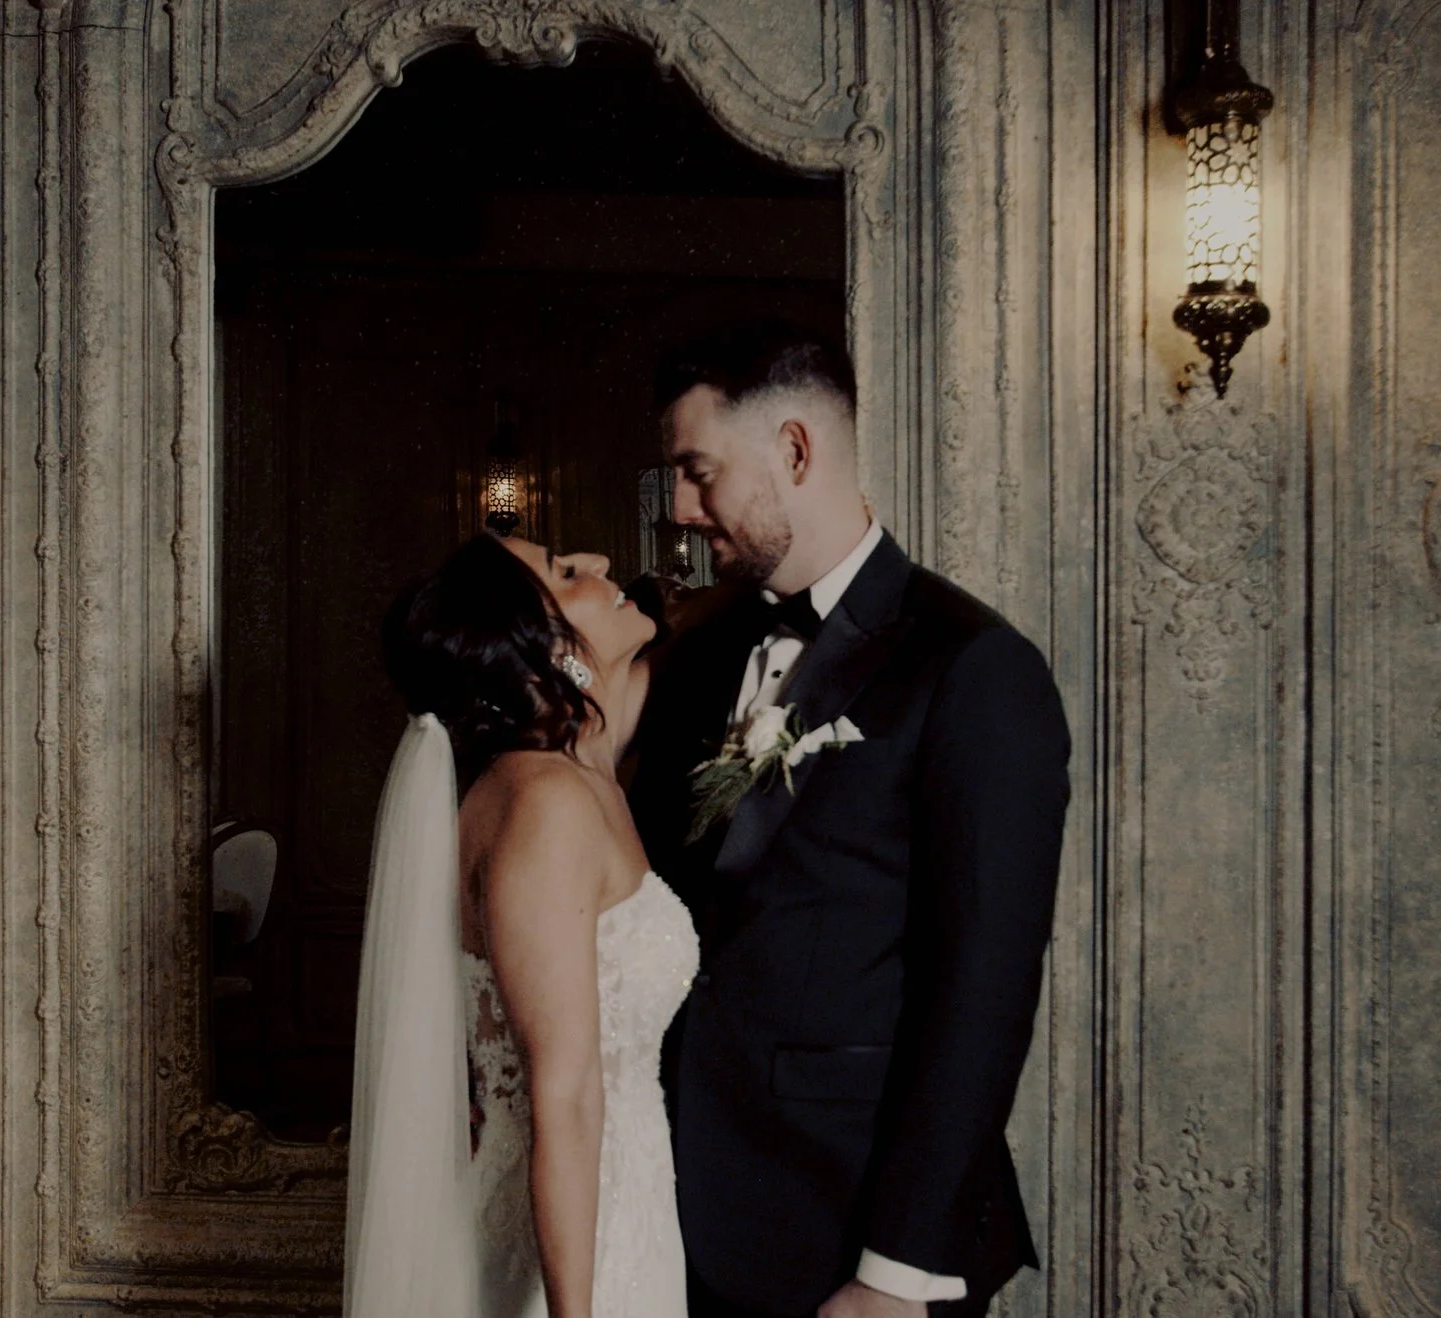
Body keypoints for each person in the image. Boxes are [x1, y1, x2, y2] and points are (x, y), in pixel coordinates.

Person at [626, 321, 1071, 1318]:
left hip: (854, 1230)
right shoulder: (693, 661)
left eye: (698, 473)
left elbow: (983, 991)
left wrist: (895, 1273)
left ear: (793, 450)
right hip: (672, 1215)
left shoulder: (974, 668)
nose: (683, 513)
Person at [352, 530, 695, 1318]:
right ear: (541, 647)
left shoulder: (580, 762)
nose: (602, 565)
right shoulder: (545, 805)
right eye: (566, 573)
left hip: (624, 1206)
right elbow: (565, 1094)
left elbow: (672, 641)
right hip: (574, 1243)